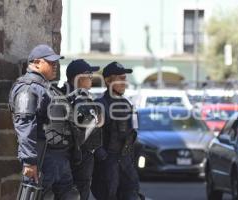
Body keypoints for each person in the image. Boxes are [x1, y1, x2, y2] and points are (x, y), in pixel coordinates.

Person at [9, 44, 79, 199]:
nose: (55, 67)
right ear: (36, 63)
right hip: (43, 159)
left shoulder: (46, 88)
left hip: (59, 158)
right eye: (51, 63)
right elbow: (24, 124)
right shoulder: (28, 88)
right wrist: (29, 161)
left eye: (56, 63)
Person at [91, 61, 141, 200]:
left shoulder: (127, 104)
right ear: (108, 81)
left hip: (126, 164)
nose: (124, 82)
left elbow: (133, 133)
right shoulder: (100, 105)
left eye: (125, 78)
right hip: (108, 166)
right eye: (120, 78)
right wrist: (104, 158)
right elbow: (92, 136)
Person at [61, 59, 102, 200]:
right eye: (89, 75)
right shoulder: (79, 98)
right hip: (80, 156)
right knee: (80, 193)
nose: (92, 78)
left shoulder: (62, 94)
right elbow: (87, 126)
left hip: (67, 155)